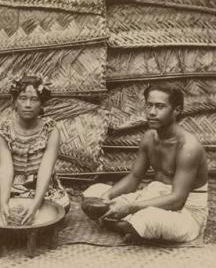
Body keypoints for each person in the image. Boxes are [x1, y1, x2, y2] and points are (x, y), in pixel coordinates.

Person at [83, 83, 208, 243]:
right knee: (92, 194)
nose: (152, 112)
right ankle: (128, 226)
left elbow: (177, 200)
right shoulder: (150, 137)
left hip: (185, 212)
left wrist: (130, 208)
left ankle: (127, 225)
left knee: (147, 219)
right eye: (149, 105)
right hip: (153, 196)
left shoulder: (188, 147)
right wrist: (107, 196)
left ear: (176, 110)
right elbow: (134, 177)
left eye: (160, 107)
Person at [0, 75, 69, 226]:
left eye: (34, 99)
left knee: (61, 204)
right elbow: (5, 168)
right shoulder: (4, 129)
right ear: (14, 102)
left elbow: (46, 170)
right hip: (13, 186)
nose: (28, 104)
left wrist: (36, 204)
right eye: (23, 98)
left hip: (43, 187)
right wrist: (4, 202)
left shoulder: (51, 129)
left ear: (42, 104)